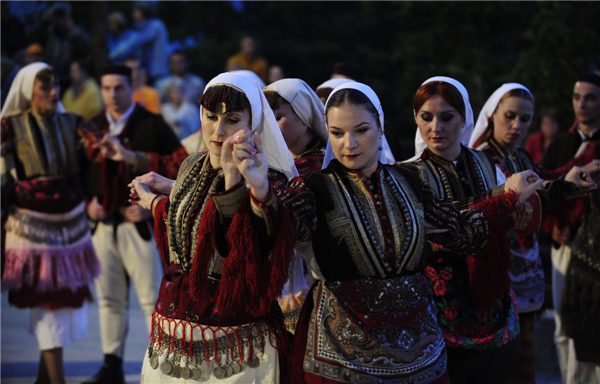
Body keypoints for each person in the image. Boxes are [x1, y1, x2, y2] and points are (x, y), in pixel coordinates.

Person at [230, 81, 551, 384]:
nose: (349, 144)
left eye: (362, 130)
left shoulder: (409, 182)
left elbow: (462, 230)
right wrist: (260, 189)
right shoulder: (315, 188)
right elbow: (279, 229)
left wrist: (508, 198)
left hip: (418, 348)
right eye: (337, 133)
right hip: (345, 350)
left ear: (380, 129)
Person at [403, 77, 591, 383]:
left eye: (447, 117)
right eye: (426, 117)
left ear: (464, 118)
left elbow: (515, 209)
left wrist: (567, 186)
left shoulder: (481, 160)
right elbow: (446, 221)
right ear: (416, 119)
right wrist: (503, 194)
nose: (436, 127)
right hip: (441, 310)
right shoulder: (409, 173)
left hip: (494, 301)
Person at [129, 72, 298, 383]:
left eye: (232, 119)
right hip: (173, 332)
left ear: (253, 122)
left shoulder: (268, 180)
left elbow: (257, 243)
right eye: (210, 117)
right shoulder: (192, 165)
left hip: (238, 346)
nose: (218, 130)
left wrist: (243, 183)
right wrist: (152, 201)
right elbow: (187, 222)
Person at [469, 82, 599, 384]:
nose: (517, 126)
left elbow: (545, 182)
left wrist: (578, 171)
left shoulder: (521, 156)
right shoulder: (481, 159)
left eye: (525, 119)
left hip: (523, 280)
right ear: (492, 116)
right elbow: (518, 206)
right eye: (509, 116)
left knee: (524, 366)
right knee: (500, 366)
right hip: (498, 280)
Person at [83, 65, 186, 384]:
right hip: (102, 226)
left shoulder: (151, 124)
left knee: (149, 298)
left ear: (132, 87)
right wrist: (89, 201)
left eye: (119, 87)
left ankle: (162, 366)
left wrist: (149, 207)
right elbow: (80, 170)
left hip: (139, 226)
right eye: (107, 88)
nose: (113, 94)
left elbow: (181, 166)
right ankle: (112, 365)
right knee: (109, 298)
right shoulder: (94, 125)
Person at [1, 62, 100, 384]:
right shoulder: (9, 127)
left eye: (55, 85)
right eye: (45, 87)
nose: (54, 92)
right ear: (28, 92)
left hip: (72, 228)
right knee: (49, 307)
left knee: (65, 307)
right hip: (31, 230)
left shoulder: (73, 123)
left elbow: (100, 154)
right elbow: (2, 178)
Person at [542, 73, 600, 384]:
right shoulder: (561, 144)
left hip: (597, 249)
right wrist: (552, 229)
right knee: (564, 326)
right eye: (578, 97)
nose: (582, 104)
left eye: (590, 97)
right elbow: (545, 191)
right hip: (565, 245)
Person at [25, 3, 91, 90]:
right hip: (47, 76)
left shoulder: (74, 34)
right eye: (57, 15)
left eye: (62, 15)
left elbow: (87, 48)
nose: (60, 20)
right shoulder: (47, 32)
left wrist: (74, 29)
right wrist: (43, 22)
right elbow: (28, 39)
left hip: (67, 80)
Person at [109, 2, 170, 83]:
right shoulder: (146, 26)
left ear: (142, 11)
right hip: (152, 72)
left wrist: (112, 55)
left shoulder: (155, 25)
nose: (133, 14)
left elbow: (134, 42)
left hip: (158, 73)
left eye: (136, 11)